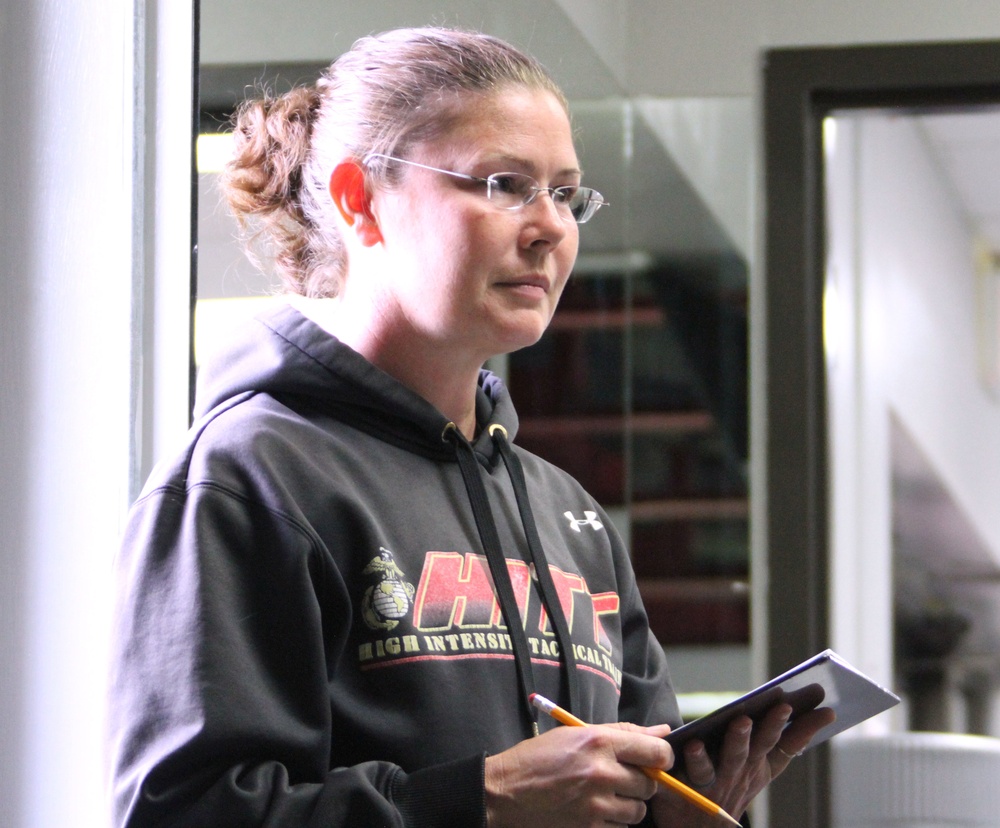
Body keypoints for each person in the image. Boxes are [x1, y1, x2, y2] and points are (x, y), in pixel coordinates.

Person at [107, 26, 831, 828]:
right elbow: (181, 815)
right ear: (360, 200)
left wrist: (674, 812)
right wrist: (481, 799)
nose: (550, 227)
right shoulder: (250, 478)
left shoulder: (571, 516)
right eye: (504, 183)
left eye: (565, 192)